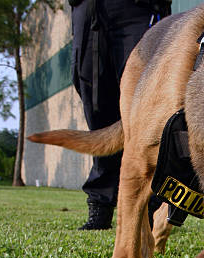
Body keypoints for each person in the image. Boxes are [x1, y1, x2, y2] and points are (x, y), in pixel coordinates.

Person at [69, 0, 171, 229]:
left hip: (138, 7)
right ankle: (101, 203)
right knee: (96, 106)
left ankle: (152, 203)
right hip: (89, 8)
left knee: (145, 103)